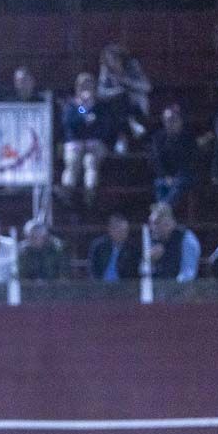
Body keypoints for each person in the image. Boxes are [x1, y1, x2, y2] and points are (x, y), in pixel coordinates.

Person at [61, 73, 113, 206]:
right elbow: (70, 123)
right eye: (82, 86)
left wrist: (93, 139)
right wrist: (83, 109)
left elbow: (104, 126)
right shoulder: (72, 106)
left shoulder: (101, 106)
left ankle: (89, 194)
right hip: (75, 145)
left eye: (89, 86)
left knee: (90, 162)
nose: (86, 88)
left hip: (94, 145)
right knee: (72, 163)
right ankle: (67, 192)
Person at [97, 43, 151, 152]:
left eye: (115, 59)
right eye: (109, 60)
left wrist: (125, 82)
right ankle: (130, 125)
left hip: (136, 105)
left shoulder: (132, 66)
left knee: (124, 97)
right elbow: (101, 92)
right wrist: (117, 91)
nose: (112, 63)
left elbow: (147, 87)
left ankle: (122, 137)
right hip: (114, 107)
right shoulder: (106, 70)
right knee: (119, 98)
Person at [150, 104, 197, 209]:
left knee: (179, 183)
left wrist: (176, 177)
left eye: (173, 120)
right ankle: (162, 212)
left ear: (180, 120)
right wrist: (166, 175)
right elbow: (156, 159)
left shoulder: (188, 138)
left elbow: (190, 161)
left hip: (184, 175)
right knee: (159, 184)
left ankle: (161, 211)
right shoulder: (158, 138)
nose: (170, 123)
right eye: (167, 120)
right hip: (165, 175)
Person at [146, 202, 200, 282]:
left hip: (181, 291)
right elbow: (143, 275)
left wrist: (172, 289)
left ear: (170, 223)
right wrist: (150, 262)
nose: (152, 228)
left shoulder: (186, 239)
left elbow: (188, 274)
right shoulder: (151, 240)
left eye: (156, 223)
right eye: (151, 223)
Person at [88, 213, 140, 282]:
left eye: (125, 231)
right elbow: (92, 269)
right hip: (101, 287)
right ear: (110, 230)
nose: (123, 234)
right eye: (120, 231)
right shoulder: (99, 246)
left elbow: (133, 273)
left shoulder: (132, 249)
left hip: (123, 288)